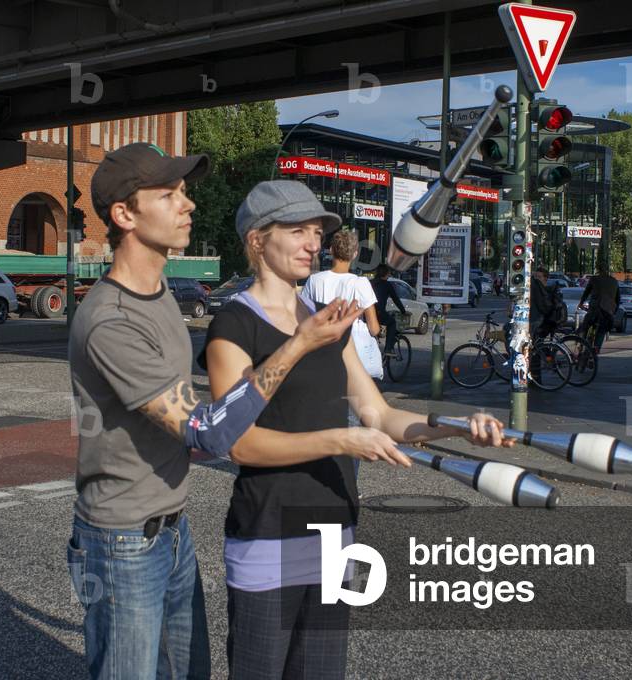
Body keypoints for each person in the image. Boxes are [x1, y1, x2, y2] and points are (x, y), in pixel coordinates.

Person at [67, 144, 362, 680]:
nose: (189, 206)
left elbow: (205, 427)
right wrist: (298, 346)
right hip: (122, 540)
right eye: (169, 195)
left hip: (171, 532)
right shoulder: (110, 322)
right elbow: (209, 435)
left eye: (184, 192)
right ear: (125, 215)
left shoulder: (157, 296)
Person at [202, 179, 513, 679]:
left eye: (318, 232)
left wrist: (456, 427)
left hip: (334, 531)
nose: (313, 243)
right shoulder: (234, 325)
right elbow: (239, 443)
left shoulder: (330, 321)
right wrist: (341, 440)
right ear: (258, 240)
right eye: (298, 230)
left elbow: (379, 415)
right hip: (267, 535)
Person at [301, 229, 382, 379]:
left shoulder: (315, 281)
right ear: (355, 254)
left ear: (331, 250)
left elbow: (302, 316)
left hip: (322, 352)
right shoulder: (361, 283)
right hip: (354, 357)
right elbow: (373, 328)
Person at [578, 264, 622, 351]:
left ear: (598, 271)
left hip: (595, 309)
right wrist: (613, 312)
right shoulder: (614, 281)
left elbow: (586, 293)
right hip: (607, 311)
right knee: (602, 330)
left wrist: (581, 303)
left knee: (585, 326)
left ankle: (581, 345)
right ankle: (596, 349)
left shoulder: (594, 279)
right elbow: (618, 299)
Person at [371, 263, 407, 357]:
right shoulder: (387, 285)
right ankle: (388, 349)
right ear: (386, 274)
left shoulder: (370, 282)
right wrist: (403, 311)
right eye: (389, 273)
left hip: (367, 314)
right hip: (378, 313)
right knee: (392, 322)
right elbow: (396, 299)